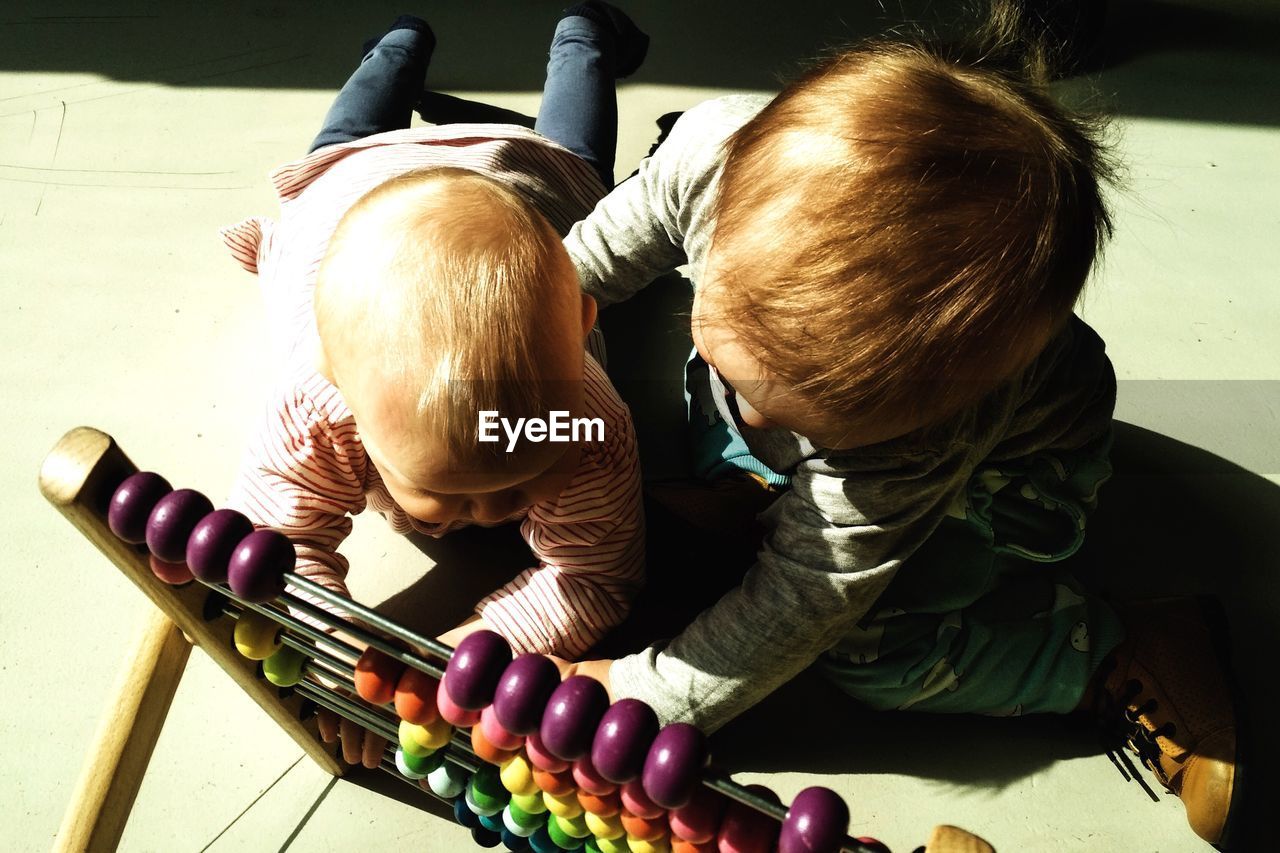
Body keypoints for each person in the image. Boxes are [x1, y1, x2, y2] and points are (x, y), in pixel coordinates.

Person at [558, 7, 1240, 846]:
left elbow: (809, 600)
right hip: (866, 455)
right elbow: (571, 279)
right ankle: (757, 490)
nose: (758, 416)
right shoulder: (709, 157)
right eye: (742, 369)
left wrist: (643, 697)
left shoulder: (919, 439)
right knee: (729, 427)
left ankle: (1110, 650)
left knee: (873, 649)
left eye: (806, 418)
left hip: (1004, 473)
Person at [220, 3, 650, 768]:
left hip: (526, 175)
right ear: (339, 392)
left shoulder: (585, 422)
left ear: (584, 324)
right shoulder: (318, 408)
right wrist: (347, 655)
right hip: (348, 188)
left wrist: (469, 659)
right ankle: (395, 48)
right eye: (448, 492)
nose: (488, 514)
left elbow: (596, 571)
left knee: (577, 160)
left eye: (517, 476)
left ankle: (583, 35)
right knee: (341, 141)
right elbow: (279, 545)